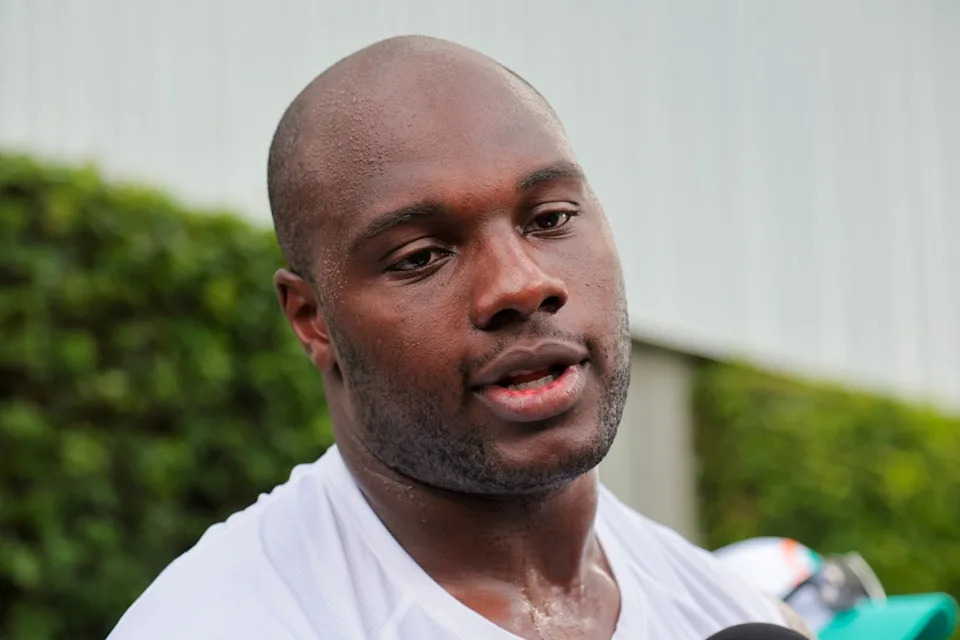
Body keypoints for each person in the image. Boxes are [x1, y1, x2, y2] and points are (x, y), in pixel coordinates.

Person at [108, 36, 809, 639]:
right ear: (311, 319)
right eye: (420, 257)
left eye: (551, 219)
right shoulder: (217, 621)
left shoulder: (728, 613)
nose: (521, 283)